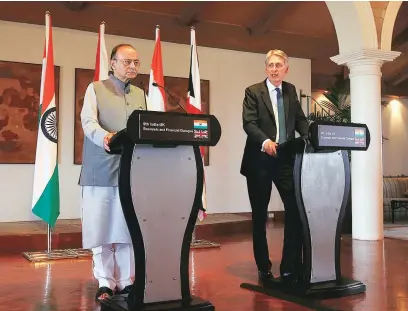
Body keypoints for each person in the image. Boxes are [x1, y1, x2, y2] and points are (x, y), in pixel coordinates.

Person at [79, 44, 147, 301]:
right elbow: (88, 121)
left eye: (136, 63)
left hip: (132, 171)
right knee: (102, 228)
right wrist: (104, 136)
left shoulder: (141, 93)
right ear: (112, 63)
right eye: (126, 61)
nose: (132, 66)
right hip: (101, 169)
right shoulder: (95, 88)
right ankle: (106, 281)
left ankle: (127, 281)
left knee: (127, 228)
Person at [240, 49, 309, 286]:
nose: (274, 68)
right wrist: (265, 141)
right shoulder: (253, 92)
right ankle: (263, 267)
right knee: (259, 216)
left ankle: (290, 266)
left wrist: (311, 137)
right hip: (259, 160)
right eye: (270, 64)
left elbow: (300, 120)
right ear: (266, 68)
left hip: (285, 159)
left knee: (296, 209)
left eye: (279, 64)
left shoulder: (290, 91)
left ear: (286, 68)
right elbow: (249, 123)